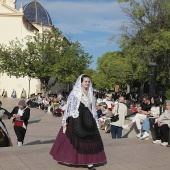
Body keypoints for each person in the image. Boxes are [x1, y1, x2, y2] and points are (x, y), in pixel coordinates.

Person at [50, 74, 106, 170]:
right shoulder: (75, 93)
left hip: (88, 118)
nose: (87, 83)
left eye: (88, 81)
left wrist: (94, 117)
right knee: (75, 138)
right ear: (81, 82)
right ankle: (72, 158)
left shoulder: (90, 92)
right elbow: (70, 106)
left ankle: (90, 162)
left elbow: (92, 107)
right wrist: (67, 119)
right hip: (77, 117)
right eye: (85, 81)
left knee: (90, 138)